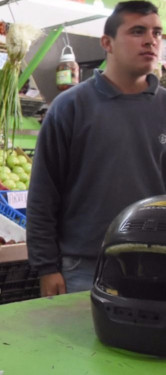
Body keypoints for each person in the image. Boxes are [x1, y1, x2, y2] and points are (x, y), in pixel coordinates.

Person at [27, 1, 166, 296]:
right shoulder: (70, 107)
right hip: (85, 267)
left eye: (157, 32)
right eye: (137, 31)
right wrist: (47, 267)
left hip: (157, 264)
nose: (150, 40)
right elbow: (43, 193)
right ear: (107, 43)